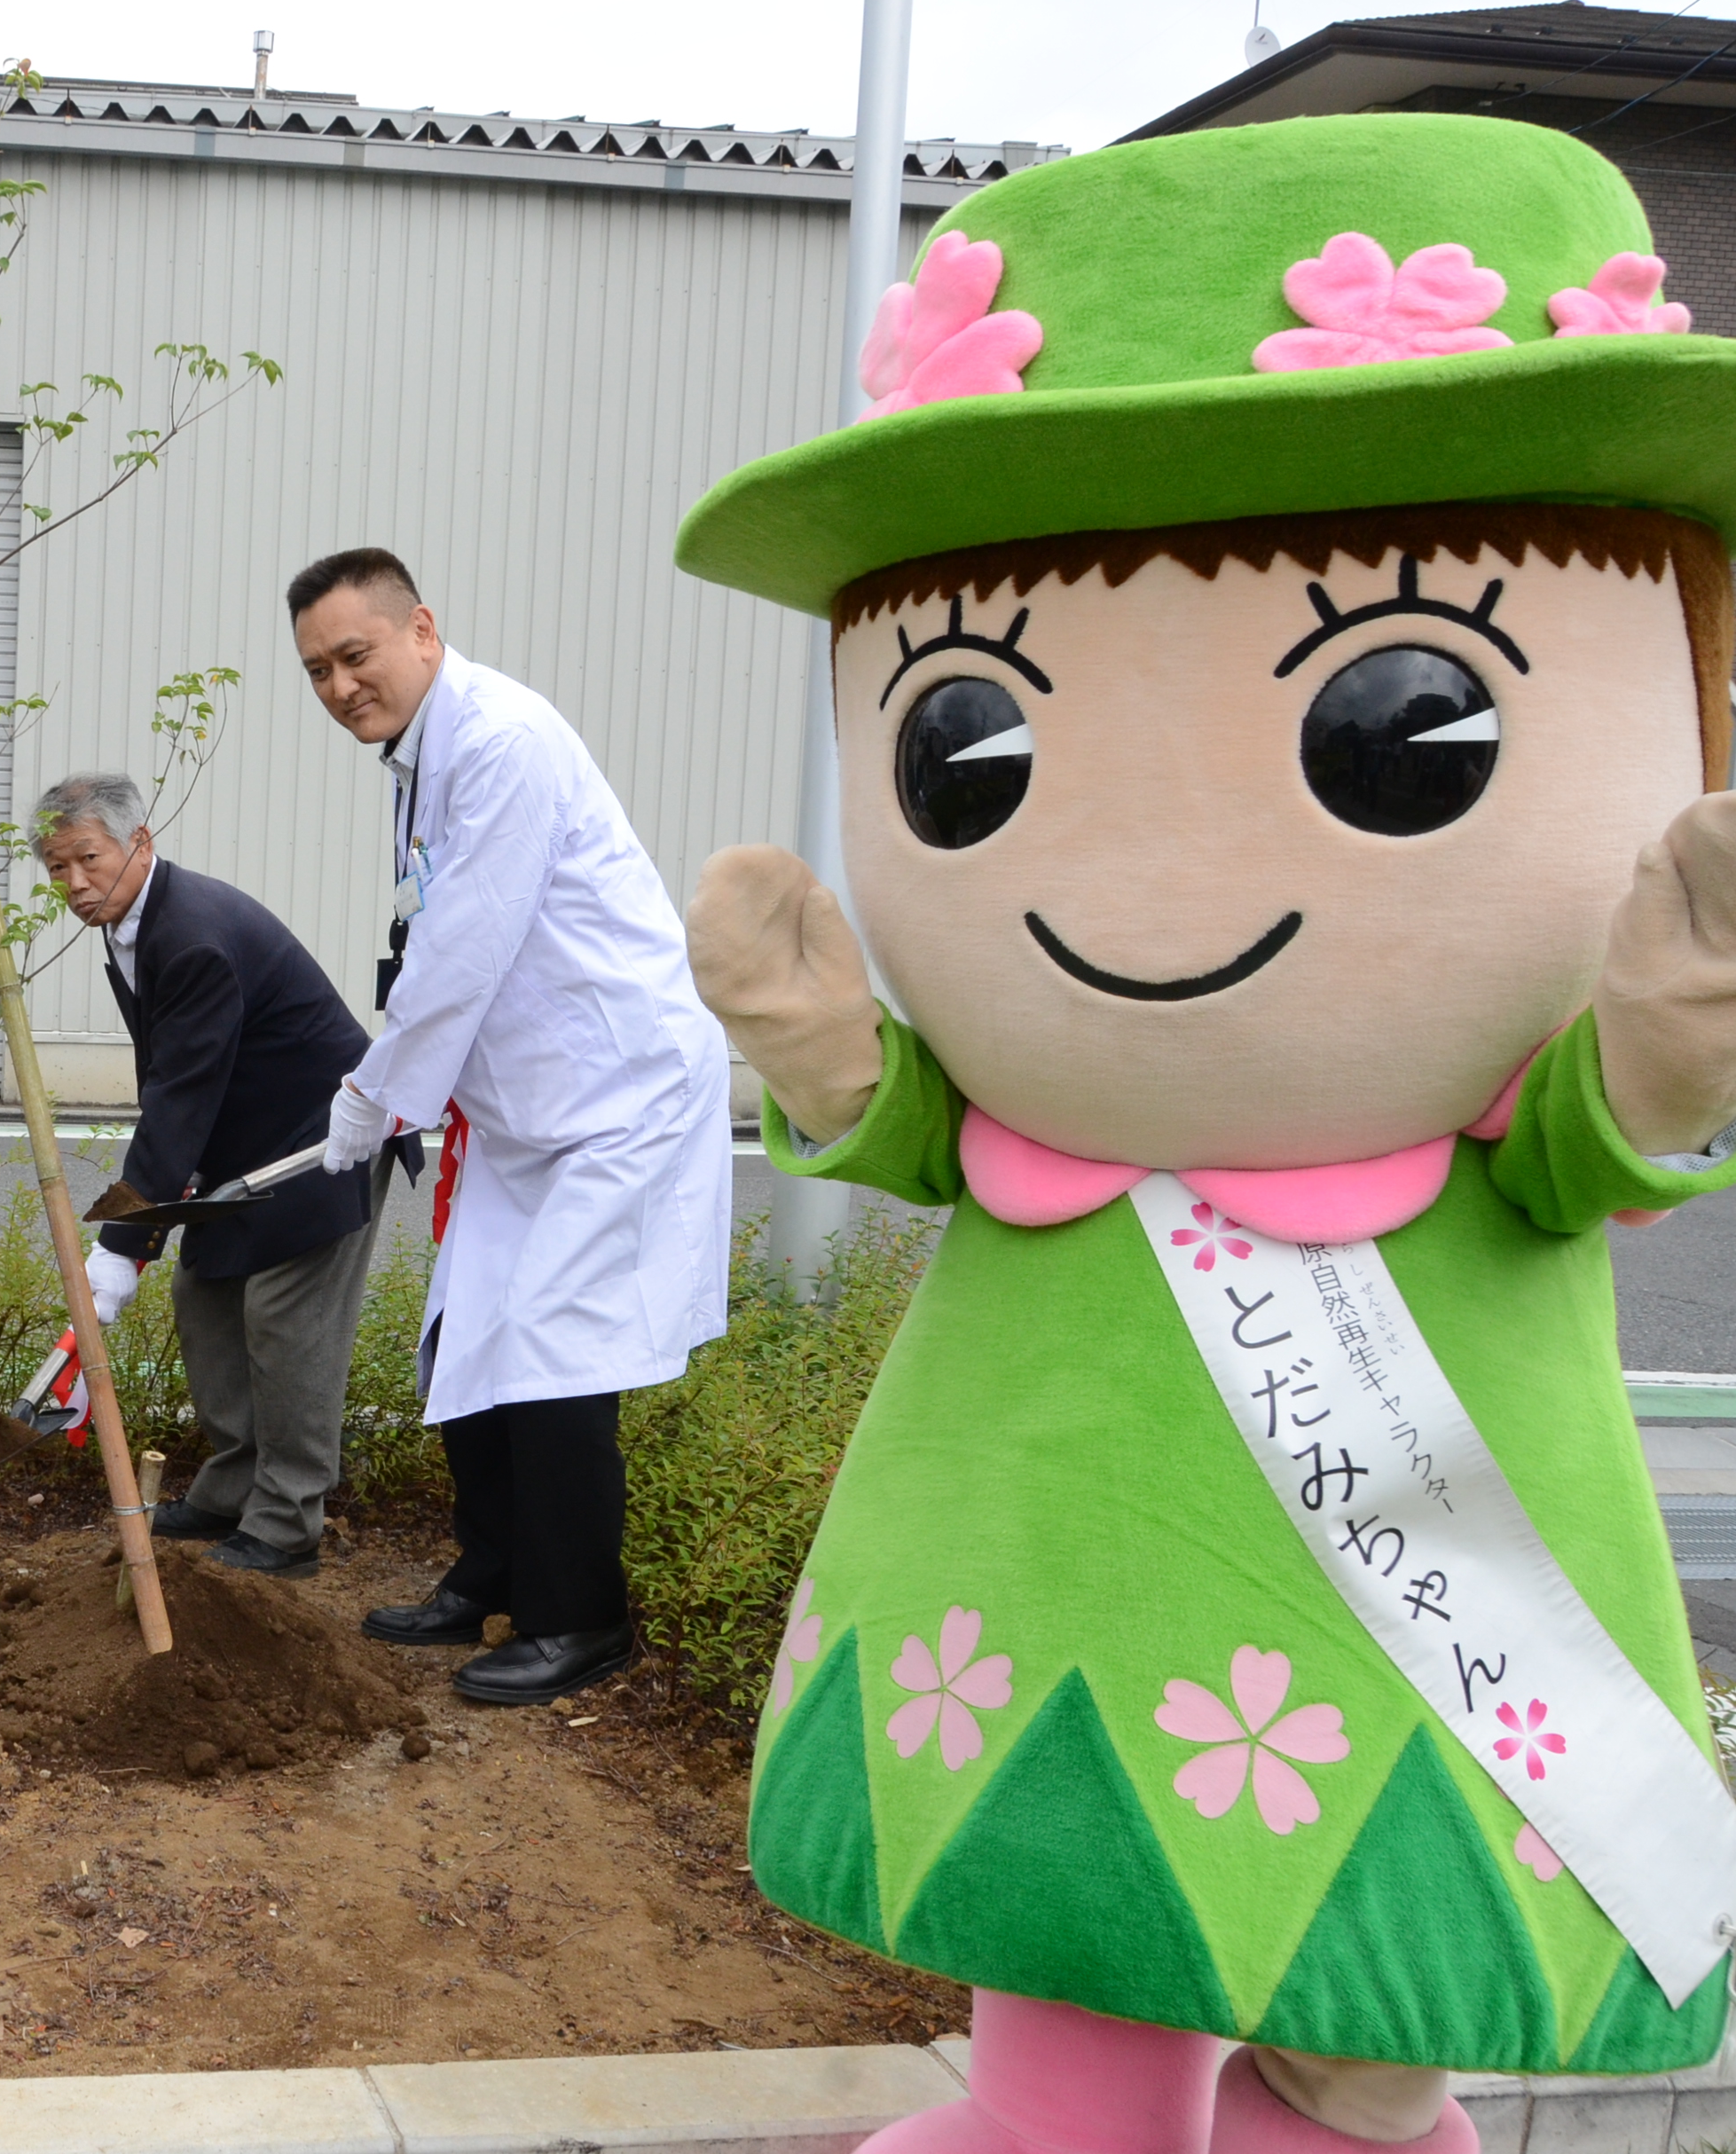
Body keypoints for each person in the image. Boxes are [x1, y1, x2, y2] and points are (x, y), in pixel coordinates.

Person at [670, 114, 1736, 2154]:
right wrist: (829, 1056)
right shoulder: (1029, 1116)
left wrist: (1669, 1041)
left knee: (1361, 2016)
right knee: (1071, 1946)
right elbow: (922, 1125)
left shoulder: (1493, 1116)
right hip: (1042, 1625)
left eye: (1399, 718)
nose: (1151, 887)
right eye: (966, 747)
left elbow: (1594, 1133)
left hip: (1425, 1645)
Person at [296, 547, 731, 1707]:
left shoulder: (499, 742)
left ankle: (579, 1619)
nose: (340, 685)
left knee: (552, 1344)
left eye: (356, 655)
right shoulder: (419, 757)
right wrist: (396, 1089)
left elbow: (460, 954)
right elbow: (440, 940)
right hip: (532, 1107)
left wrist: (371, 1099)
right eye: (318, 672)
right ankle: (490, 1570)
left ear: (422, 631)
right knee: (471, 1324)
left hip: (616, 1094)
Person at [35, 772, 397, 1578]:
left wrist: (123, 1243)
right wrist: (173, 1191)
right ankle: (232, 1489)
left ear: (140, 843)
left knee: (283, 1318)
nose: (75, 883)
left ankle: (286, 1523)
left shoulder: (191, 931)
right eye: (56, 869)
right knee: (206, 1297)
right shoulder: (130, 921)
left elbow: (177, 1095)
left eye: (87, 858)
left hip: (322, 1138)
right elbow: (182, 1073)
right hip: (244, 1146)